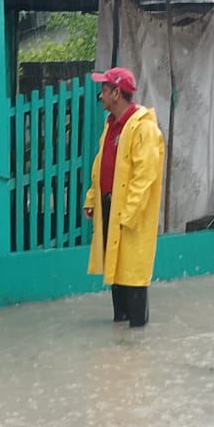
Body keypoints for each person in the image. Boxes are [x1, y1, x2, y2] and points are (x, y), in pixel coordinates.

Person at [83, 66, 165, 328]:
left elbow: (145, 177)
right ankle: (120, 332)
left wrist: (127, 214)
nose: (101, 96)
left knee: (133, 274)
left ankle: (136, 339)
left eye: (104, 91)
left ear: (116, 93)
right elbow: (100, 165)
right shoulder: (111, 127)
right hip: (110, 207)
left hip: (131, 216)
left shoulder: (144, 129)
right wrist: (92, 199)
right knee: (116, 270)